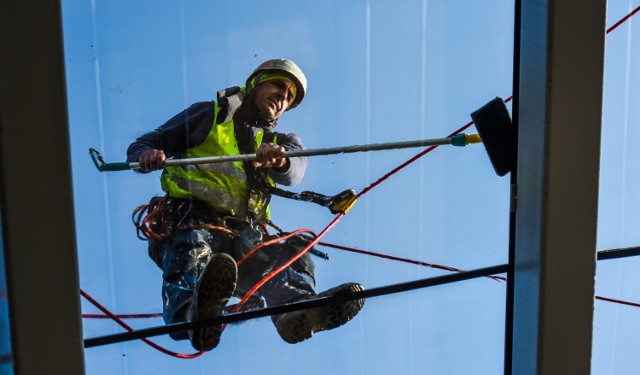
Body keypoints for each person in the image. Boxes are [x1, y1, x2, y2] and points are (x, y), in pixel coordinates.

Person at [127, 59, 365, 351]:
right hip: (189, 220)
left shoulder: (282, 140)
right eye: (278, 85)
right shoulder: (209, 116)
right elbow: (150, 141)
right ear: (255, 83)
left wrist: (280, 159)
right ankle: (187, 312)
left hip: (243, 236)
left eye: (289, 96)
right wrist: (145, 154)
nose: (282, 96)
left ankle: (295, 310)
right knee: (193, 244)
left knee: (290, 251)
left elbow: (295, 171)